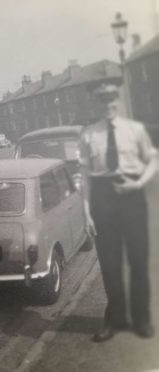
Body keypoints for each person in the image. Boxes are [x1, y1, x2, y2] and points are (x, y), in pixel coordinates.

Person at [80, 84, 158, 342]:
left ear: (119, 101)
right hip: (103, 199)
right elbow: (85, 177)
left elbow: (153, 159)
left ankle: (142, 319)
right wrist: (86, 213)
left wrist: (138, 184)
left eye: (112, 100)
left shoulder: (135, 130)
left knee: (138, 260)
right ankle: (114, 320)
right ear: (96, 103)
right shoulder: (89, 134)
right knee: (110, 264)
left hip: (132, 196)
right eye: (102, 100)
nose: (108, 105)